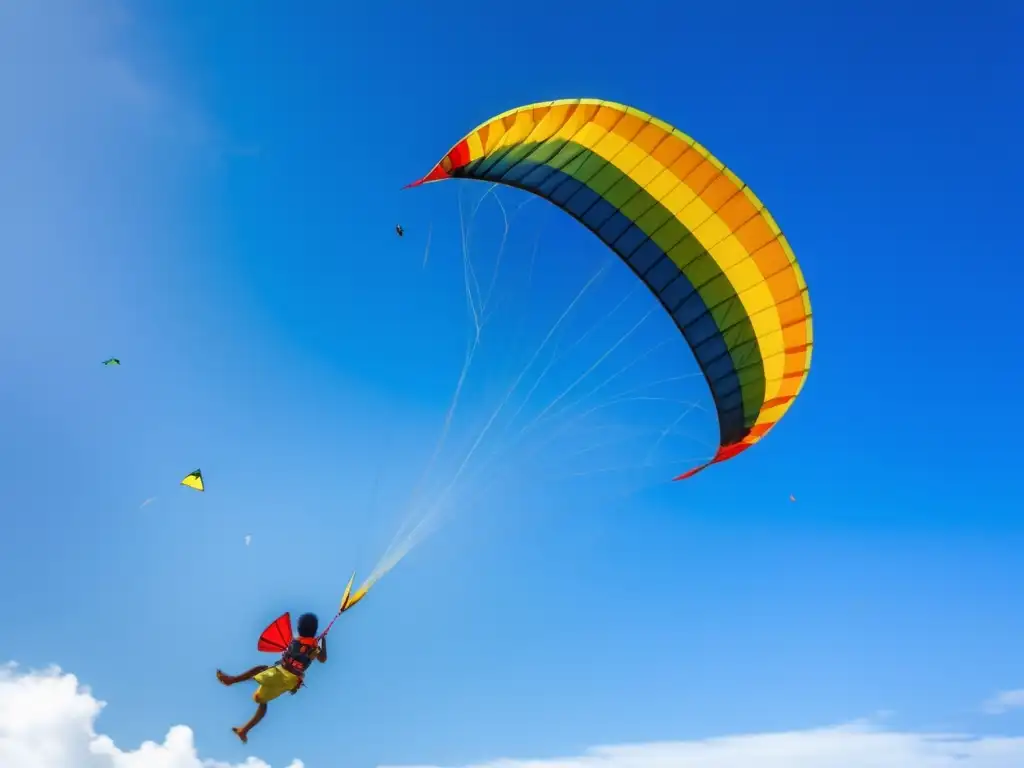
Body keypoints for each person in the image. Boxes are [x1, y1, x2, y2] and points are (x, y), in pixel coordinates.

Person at [216, 612, 327, 743]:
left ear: (299, 628)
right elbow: (323, 659)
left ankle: (232, 680)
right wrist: (322, 643)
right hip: (290, 681)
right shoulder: (312, 645)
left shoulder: (305, 644)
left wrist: (318, 643)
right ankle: (244, 731)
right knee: (263, 701)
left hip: (284, 674)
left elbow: (316, 656)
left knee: (260, 669)